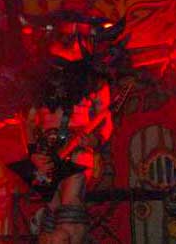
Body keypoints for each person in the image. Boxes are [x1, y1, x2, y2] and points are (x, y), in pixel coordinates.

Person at [25, 19, 113, 244]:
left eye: (77, 37)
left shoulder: (95, 81)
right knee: (51, 215)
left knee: (69, 212)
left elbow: (106, 121)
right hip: (45, 154)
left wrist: (93, 139)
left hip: (77, 151)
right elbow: (29, 122)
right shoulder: (40, 81)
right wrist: (33, 153)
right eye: (66, 36)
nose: (71, 42)